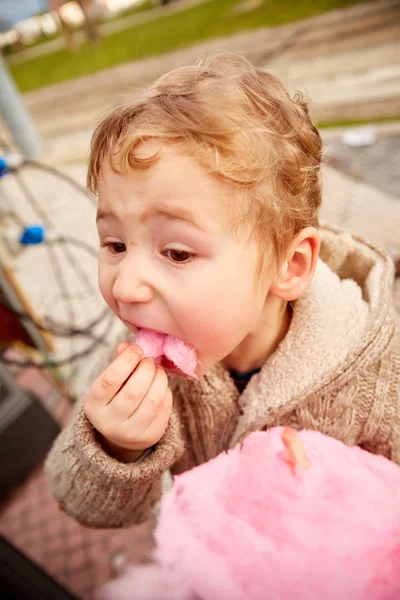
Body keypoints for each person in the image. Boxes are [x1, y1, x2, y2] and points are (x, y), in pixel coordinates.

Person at [45, 53, 400, 528]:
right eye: (114, 243)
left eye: (176, 253)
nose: (126, 287)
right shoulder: (136, 368)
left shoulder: (378, 373)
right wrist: (115, 446)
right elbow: (77, 499)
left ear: (289, 266)